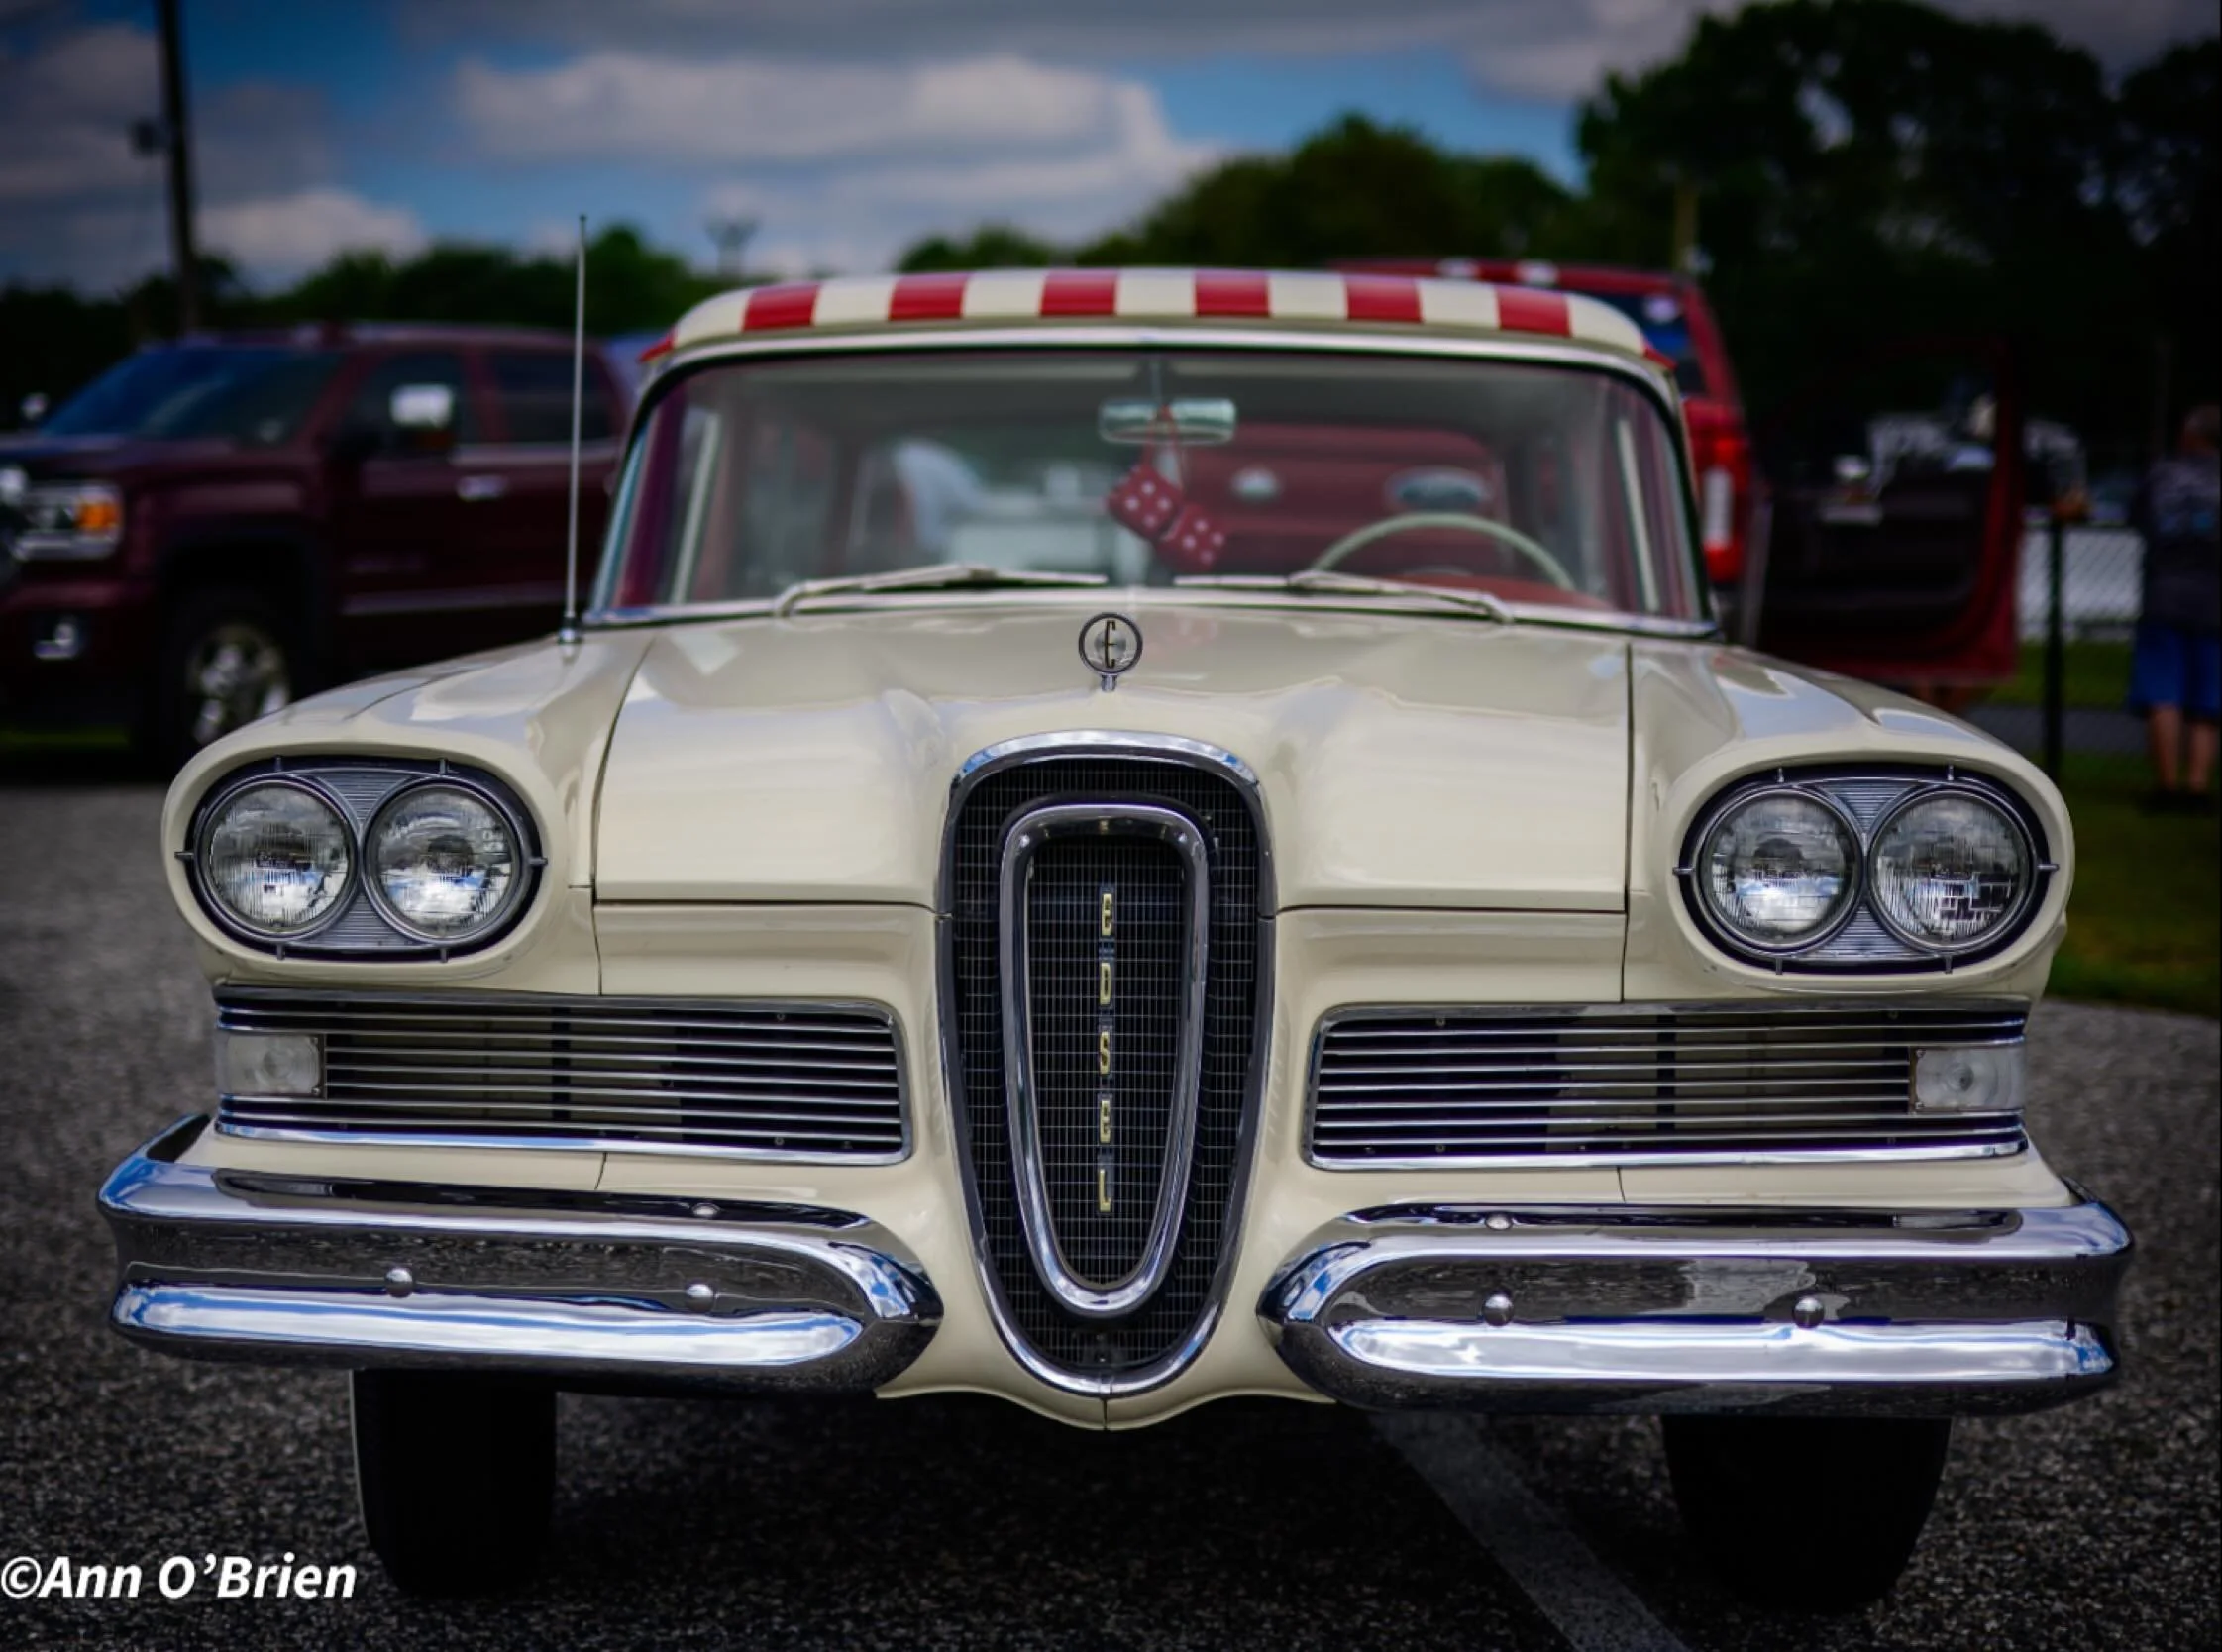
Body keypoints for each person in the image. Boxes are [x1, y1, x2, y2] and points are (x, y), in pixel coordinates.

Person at [2129, 404, 2221, 811]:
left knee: (2162, 694)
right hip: (2215, 602)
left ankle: (2166, 786)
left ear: (2191, 435)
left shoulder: (2162, 475)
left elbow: (2136, 517)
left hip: (2163, 595)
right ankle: (2198, 787)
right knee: (2207, 701)